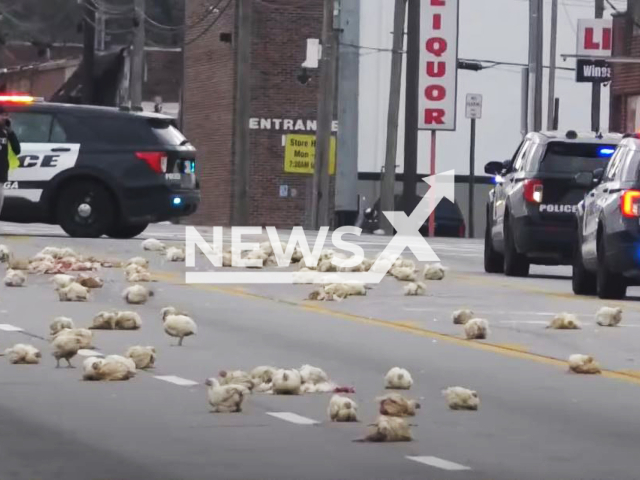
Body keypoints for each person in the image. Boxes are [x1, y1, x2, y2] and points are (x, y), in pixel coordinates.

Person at [0, 106, 21, 215]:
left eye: (6, 115)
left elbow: (17, 150)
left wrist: (11, 132)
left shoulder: (5, 133)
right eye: (2, 115)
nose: (5, 118)